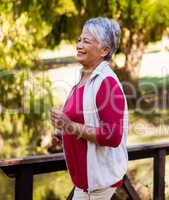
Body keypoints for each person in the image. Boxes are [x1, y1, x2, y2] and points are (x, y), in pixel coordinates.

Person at [50, 17, 128, 200]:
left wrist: (70, 126)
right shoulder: (84, 79)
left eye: (86, 41)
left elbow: (113, 135)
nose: (78, 45)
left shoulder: (107, 83)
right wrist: (64, 133)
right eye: (79, 40)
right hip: (84, 186)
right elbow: (85, 122)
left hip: (100, 187)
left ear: (104, 50)